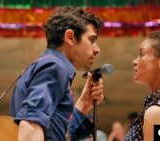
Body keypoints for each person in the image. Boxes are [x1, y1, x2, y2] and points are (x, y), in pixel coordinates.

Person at [9, 6, 104, 141]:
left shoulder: (48, 65)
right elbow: (29, 126)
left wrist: (84, 103)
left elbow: (57, 136)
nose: (97, 49)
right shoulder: (54, 67)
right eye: (92, 40)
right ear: (70, 37)